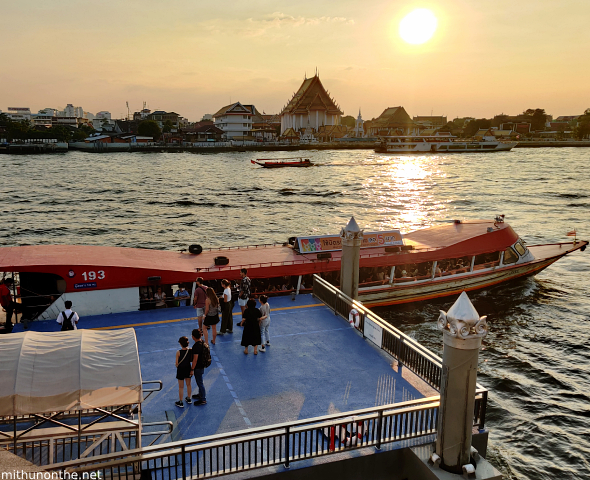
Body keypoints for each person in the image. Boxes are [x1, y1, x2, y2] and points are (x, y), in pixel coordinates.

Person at [175, 336, 193, 408]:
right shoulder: (190, 350)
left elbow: (176, 363)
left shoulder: (178, 352)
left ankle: (181, 401)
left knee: (181, 387)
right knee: (188, 384)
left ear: (181, 344)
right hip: (188, 368)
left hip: (180, 370)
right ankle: (189, 398)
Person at [190, 329, 207, 405]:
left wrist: (192, 369)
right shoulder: (202, 342)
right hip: (202, 365)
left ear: (193, 337)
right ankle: (200, 395)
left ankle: (203, 399)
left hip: (198, 367)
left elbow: (195, 359)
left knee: (200, 383)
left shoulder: (196, 346)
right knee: (200, 381)